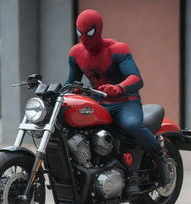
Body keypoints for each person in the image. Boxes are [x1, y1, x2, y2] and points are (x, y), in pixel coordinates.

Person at [65, 9, 171, 193]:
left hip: (124, 102)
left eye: (88, 32)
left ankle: (160, 158)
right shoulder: (76, 53)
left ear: (98, 29)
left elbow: (136, 78)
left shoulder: (117, 49)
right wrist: (58, 89)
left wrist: (119, 87)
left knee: (131, 125)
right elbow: (71, 81)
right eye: (79, 33)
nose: (84, 37)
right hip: (99, 103)